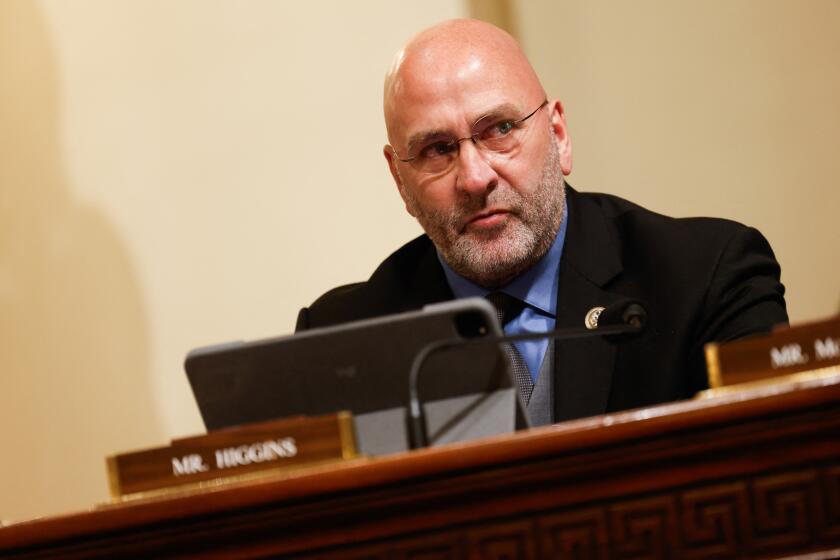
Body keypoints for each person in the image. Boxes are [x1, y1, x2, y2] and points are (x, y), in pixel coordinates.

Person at [295, 19, 787, 425]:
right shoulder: (337, 340)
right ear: (401, 182)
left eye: (500, 130)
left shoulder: (707, 279)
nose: (474, 177)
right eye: (437, 150)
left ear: (558, 134)